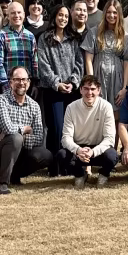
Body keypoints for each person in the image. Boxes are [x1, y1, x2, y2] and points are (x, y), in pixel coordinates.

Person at [0, 66, 54, 194]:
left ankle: (14, 175)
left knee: (46, 155)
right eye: (17, 79)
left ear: (29, 82)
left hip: (19, 149)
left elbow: (39, 137)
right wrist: (24, 129)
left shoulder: (34, 106)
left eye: (24, 79)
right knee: (14, 138)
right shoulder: (1, 100)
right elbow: (7, 127)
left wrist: (20, 138)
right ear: (11, 82)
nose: (21, 83)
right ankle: (2, 184)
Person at [35, 12, 87, 163]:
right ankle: (55, 164)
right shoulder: (44, 38)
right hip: (53, 90)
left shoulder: (73, 39)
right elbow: (43, 65)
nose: (63, 18)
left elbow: (79, 62)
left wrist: (74, 82)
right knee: (56, 128)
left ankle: (69, 161)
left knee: (71, 127)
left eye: (66, 16)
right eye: (60, 15)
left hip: (71, 90)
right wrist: (57, 83)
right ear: (54, 17)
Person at [60, 74, 120, 187]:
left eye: (93, 89)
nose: (89, 93)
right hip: (79, 150)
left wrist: (93, 152)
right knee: (62, 155)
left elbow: (110, 139)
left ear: (98, 90)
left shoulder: (106, 107)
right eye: (86, 89)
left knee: (112, 156)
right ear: (81, 90)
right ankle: (80, 175)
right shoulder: (71, 108)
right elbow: (66, 138)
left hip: (99, 149)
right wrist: (78, 150)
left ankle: (104, 175)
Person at [0, 2, 36, 98]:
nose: (16, 15)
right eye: (13, 13)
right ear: (8, 16)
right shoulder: (1, 35)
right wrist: (6, 85)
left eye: (19, 12)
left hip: (26, 87)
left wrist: (34, 83)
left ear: (24, 15)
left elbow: (34, 62)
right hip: (8, 88)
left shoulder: (30, 36)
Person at [90, 0, 128, 104]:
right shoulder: (94, 32)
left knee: (116, 113)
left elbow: (127, 63)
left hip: (116, 78)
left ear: (119, 14)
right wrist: (92, 83)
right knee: (98, 111)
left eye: (114, 12)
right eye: (108, 12)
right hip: (98, 75)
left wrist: (125, 88)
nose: (111, 15)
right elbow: (88, 59)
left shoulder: (125, 37)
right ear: (104, 13)